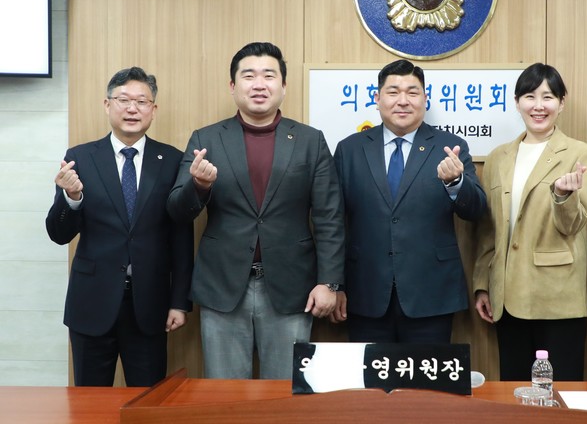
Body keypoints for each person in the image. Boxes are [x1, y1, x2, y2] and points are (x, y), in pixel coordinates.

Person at [166, 41, 345, 380]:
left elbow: (329, 217)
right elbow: (177, 210)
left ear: (283, 86)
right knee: (224, 395)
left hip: (292, 287)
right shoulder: (207, 139)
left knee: (285, 393)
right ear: (233, 86)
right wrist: (199, 186)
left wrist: (329, 283)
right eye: (248, 76)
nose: (259, 84)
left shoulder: (310, 140)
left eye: (269, 75)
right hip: (222, 286)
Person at [45, 67, 193, 387]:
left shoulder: (172, 161)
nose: (132, 108)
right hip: (92, 302)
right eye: (123, 100)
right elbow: (58, 234)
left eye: (141, 101)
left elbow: (181, 237)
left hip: (149, 304)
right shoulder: (80, 158)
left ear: (153, 109)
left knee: (147, 401)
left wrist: (179, 301)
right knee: (88, 403)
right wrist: (72, 198)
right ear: (107, 104)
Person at [333, 59, 486, 343]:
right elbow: (333, 223)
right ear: (377, 99)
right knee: (370, 373)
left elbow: (476, 209)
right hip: (365, 292)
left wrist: (456, 182)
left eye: (412, 92)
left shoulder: (449, 147)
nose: (402, 101)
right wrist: (335, 284)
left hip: (431, 293)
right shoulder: (349, 150)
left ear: (425, 99)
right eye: (393, 92)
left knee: (427, 373)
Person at [473, 63, 587, 381]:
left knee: (562, 391)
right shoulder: (499, 157)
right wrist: (483, 284)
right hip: (506, 296)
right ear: (517, 102)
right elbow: (489, 228)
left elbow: (574, 225)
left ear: (562, 103)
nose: (538, 106)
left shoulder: (579, 153)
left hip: (557, 295)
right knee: (514, 391)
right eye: (529, 96)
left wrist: (563, 196)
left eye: (548, 97)